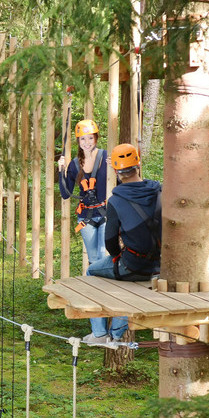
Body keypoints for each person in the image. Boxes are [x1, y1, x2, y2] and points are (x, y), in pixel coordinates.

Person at [82, 143, 162, 347]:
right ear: (138, 165)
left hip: (134, 264)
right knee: (127, 274)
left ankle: (100, 334)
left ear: (117, 172)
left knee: (92, 271)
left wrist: (117, 257)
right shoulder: (158, 190)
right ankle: (116, 333)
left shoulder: (116, 200)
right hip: (159, 266)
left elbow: (110, 241)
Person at [57, 119, 108, 269]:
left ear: (96, 138)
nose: (87, 142)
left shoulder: (106, 158)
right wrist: (61, 172)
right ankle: (94, 288)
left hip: (106, 213)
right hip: (86, 216)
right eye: (83, 139)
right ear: (78, 141)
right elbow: (65, 194)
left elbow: (119, 184)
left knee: (103, 254)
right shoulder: (74, 164)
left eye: (91, 138)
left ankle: (104, 289)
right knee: (93, 259)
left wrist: (116, 168)